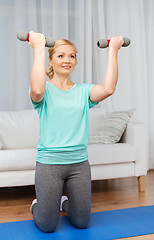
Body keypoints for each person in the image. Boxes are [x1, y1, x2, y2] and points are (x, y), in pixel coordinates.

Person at [29, 30, 124, 233]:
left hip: (79, 164)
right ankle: (38, 205)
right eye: (61, 55)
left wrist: (113, 50)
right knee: (47, 226)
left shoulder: (83, 91)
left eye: (71, 56)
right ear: (51, 60)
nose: (67, 60)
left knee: (82, 222)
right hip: (49, 164)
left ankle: (64, 203)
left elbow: (108, 89)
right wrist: (38, 47)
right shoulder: (44, 90)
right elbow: (36, 91)